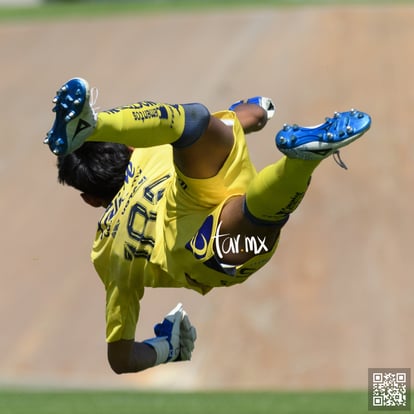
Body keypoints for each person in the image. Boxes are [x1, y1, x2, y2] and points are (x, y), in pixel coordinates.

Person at [44, 77, 371, 374]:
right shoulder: (152, 146)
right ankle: (97, 123)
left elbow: (121, 359)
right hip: (195, 188)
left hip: (200, 252)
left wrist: (167, 348)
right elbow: (251, 116)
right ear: (130, 144)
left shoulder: (106, 251)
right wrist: (259, 108)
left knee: (252, 218)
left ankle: (301, 162)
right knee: (195, 121)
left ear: (89, 199)